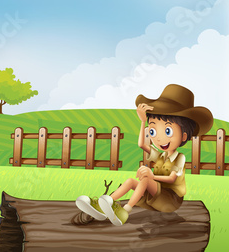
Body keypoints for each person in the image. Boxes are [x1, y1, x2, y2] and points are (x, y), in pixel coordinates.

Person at [75, 84, 213, 226]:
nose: (159, 139)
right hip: (157, 196)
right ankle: (103, 204)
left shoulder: (179, 158)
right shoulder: (160, 156)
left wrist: (151, 176)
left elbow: (172, 179)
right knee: (130, 181)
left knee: (146, 180)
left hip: (171, 200)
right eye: (153, 131)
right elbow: (142, 144)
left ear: (184, 136)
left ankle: (124, 211)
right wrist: (142, 122)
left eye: (167, 132)